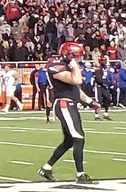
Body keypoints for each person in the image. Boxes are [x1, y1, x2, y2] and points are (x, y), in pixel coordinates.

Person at [40, 38, 108, 182]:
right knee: (78, 137)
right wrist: (73, 64)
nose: (78, 60)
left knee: (70, 141)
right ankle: (80, 175)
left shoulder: (66, 66)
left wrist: (90, 102)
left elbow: (76, 90)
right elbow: (76, 80)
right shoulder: (55, 66)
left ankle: (46, 168)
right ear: (68, 55)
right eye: (76, 56)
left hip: (69, 103)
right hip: (64, 104)